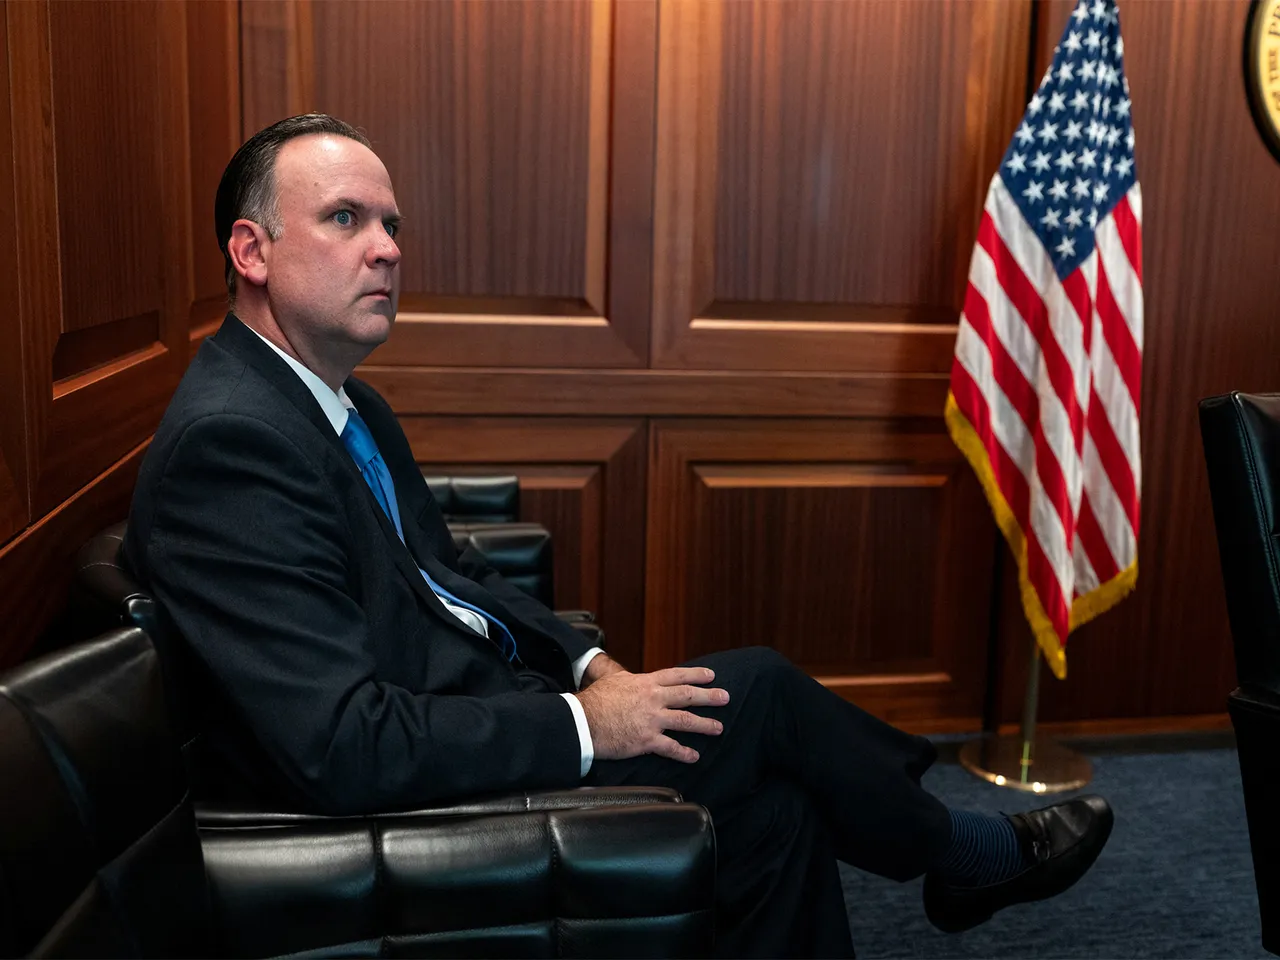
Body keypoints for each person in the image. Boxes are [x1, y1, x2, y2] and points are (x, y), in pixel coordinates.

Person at [125, 114, 1114, 957]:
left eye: (389, 223)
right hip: (403, 793)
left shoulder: (346, 405)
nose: (385, 246)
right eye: (345, 219)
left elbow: (452, 574)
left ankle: (941, 841)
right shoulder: (232, 445)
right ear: (251, 251)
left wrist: (588, 662)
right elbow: (340, 744)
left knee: (776, 807)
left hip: (477, 713)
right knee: (760, 691)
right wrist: (584, 725)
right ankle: (959, 852)